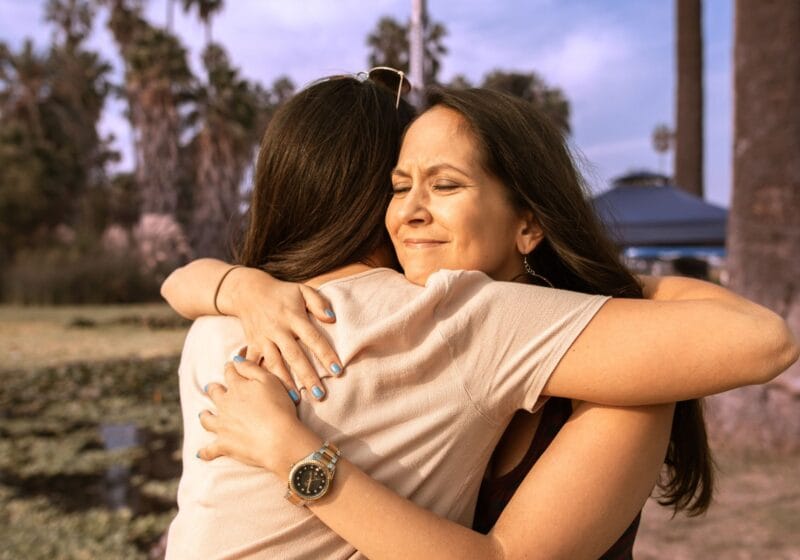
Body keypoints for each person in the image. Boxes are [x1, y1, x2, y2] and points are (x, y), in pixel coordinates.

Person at [163, 81, 798, 559]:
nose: (408, 211)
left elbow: (764, 340)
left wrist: (296, 455)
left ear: (528, 224)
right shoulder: (414, 334)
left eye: (444, 186)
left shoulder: (597, 384)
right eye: (397, 184)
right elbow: (182, 284)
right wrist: (239, 286)